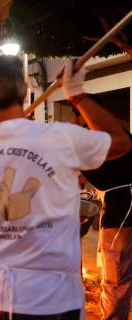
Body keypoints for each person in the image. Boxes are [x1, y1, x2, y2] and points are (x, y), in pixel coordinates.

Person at [0, 56, 130, 320]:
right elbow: (122, 142)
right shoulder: (60, 138)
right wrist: (77, 95)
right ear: (25, 92)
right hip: (56, 299)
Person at [71, 107, 132, 319]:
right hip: (122, 208)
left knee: (116, 280)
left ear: (81, 115)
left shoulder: (100, 140)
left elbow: (88, 173)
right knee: (121, 277)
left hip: (123, 213)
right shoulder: (118, 133)